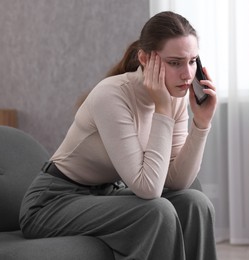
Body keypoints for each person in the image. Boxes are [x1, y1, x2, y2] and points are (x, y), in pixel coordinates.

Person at [19, 11, 218, 260]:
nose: (188, 75)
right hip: (52, 202)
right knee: (156, 210)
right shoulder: (112, 96)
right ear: (145, 58)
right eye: (175, 62)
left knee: (195, 203)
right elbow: (148, 190)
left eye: (192, 61)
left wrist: (202, 123)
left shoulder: (176, 98)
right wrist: (163, 111)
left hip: (106, 194)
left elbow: (178, 181)